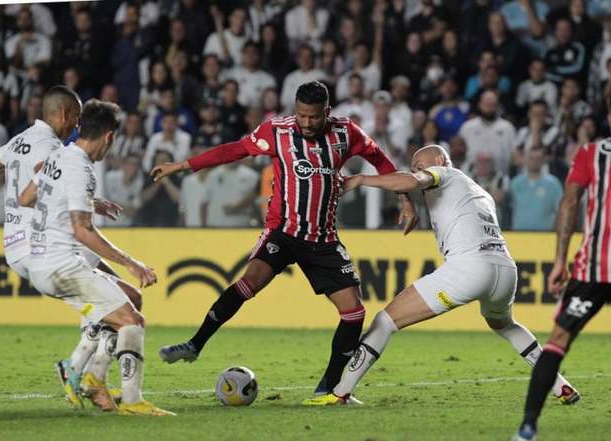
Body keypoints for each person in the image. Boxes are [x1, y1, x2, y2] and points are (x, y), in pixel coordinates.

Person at [150, 81, 417, 398]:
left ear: (327, 113)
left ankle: (328, 389)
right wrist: (184, 165)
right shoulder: (275, 131)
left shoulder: (347, 133)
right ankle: (195, 344)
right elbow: (233, 150)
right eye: (301, 115)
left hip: (323, 239)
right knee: (250, 282)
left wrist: (405, 199)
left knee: (354, 312)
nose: (306, 123)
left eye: (314, 117)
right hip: (283, 231)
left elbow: (381, 160)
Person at [304, 144, 579, 407]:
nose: (414, 170)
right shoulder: (478, 191)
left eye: (418, 166)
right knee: (506, 326)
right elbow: (417, 189)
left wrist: (362, 178)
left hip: (469, 268)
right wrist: (408, 204)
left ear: (439, 162)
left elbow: (413, 182)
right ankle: (559, 384)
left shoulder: (445, 173)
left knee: (385, 322)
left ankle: (340, 392)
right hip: (505, 270)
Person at [0, 86, 139, 412]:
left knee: (112, 303)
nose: (77, 126)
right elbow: (44, 182)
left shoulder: (18, 141)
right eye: (75, 117)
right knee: (123, 303)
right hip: (45, 245)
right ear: (62, 115)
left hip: (16, 248)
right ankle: (83, 374)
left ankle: (84, 374)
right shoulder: (53, 147)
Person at [18, 99, 172, 416]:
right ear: (110, 137)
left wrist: (89, 200)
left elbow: (26, 197)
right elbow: (82, 230)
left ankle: (89, 375)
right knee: (132, 321)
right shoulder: (81, 167)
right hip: (61, 264)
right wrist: (132, 263)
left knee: (131, 299)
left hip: (44, 261)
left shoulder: (59, 156)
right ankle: (132, 401)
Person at [512, 107, 611, 441]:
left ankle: (528, 428)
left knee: (557, 343)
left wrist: (559, 260)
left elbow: (569, 203)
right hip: (594, 269)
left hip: (594, 270)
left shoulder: (591, 154)